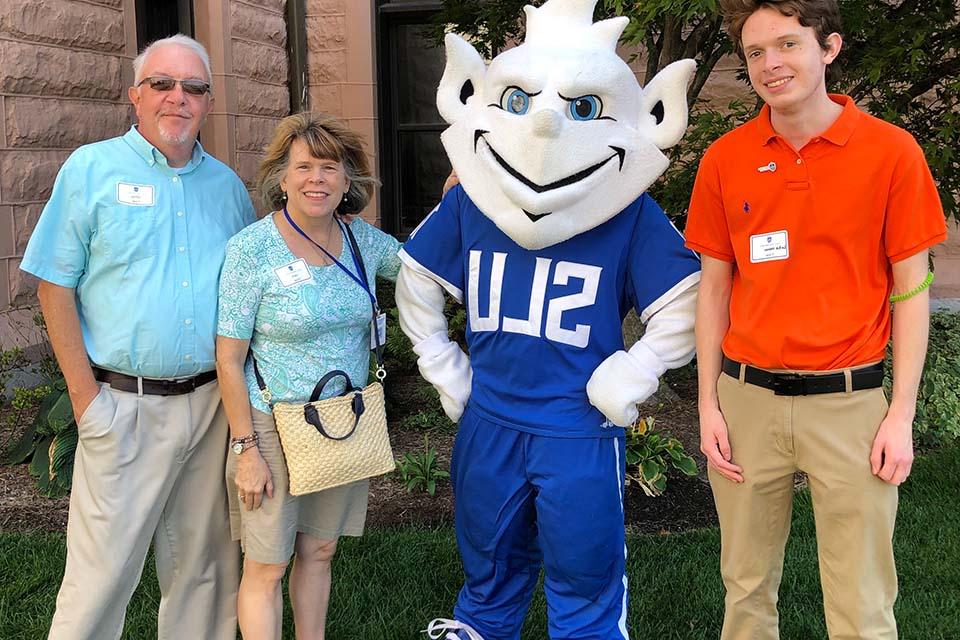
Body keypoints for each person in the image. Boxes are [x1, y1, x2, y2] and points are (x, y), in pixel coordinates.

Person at [684, 1, 948, 638]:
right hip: (746, 400)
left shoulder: (891, 153)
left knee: (862, 599)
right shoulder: (726, 159)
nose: (771, 64)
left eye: (787, 45)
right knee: (744, 588)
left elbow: (912, 293)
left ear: (827, 47)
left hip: (851, 404)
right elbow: (714, 292)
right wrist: (709, 406)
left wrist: (901, 415)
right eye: (755, 53)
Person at [20, 34, 254, 639]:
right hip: (121, 406)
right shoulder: (90, 170)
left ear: (207, 101)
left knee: (206, 574)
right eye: (163, 84)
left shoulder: (227, 188)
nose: (178, 98)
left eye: (194, 87)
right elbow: (53, 285)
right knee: (100, 580)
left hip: (211, 410)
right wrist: (85, 403)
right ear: (135, 96)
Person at [215, 111, 401, 640]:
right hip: (271, 426)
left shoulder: (361, 240)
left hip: (342, 419)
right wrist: (245, 448)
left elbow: (422, 267)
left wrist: (457, 201)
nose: (316, 179)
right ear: (282, 176)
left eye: (328, 167)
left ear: (347, 180)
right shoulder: (251, 249)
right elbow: (229, 358)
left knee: (319, 550)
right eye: (303, 167)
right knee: (267, 564)